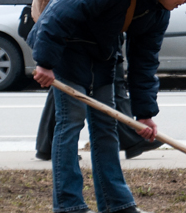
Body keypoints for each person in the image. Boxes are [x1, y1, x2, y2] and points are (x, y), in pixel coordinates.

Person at [28, 0, 186, 213]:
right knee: (70, 123)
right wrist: (45, 63)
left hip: (102, 57)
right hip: (68, 54)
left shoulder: (158, 11)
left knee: (107, 125)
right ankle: (68, 205)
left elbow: (144, 62)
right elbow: (56, 16)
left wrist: (145, 115)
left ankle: (116, 204)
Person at [34, 50, 164, 161]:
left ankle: (47, 144)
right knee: (71, 106)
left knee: (68, 92)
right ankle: (130, 137)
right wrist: (45, 61)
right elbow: (52, 26)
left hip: (101, 43)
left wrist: (145, 114)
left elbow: (144, 57)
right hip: (76, 43)